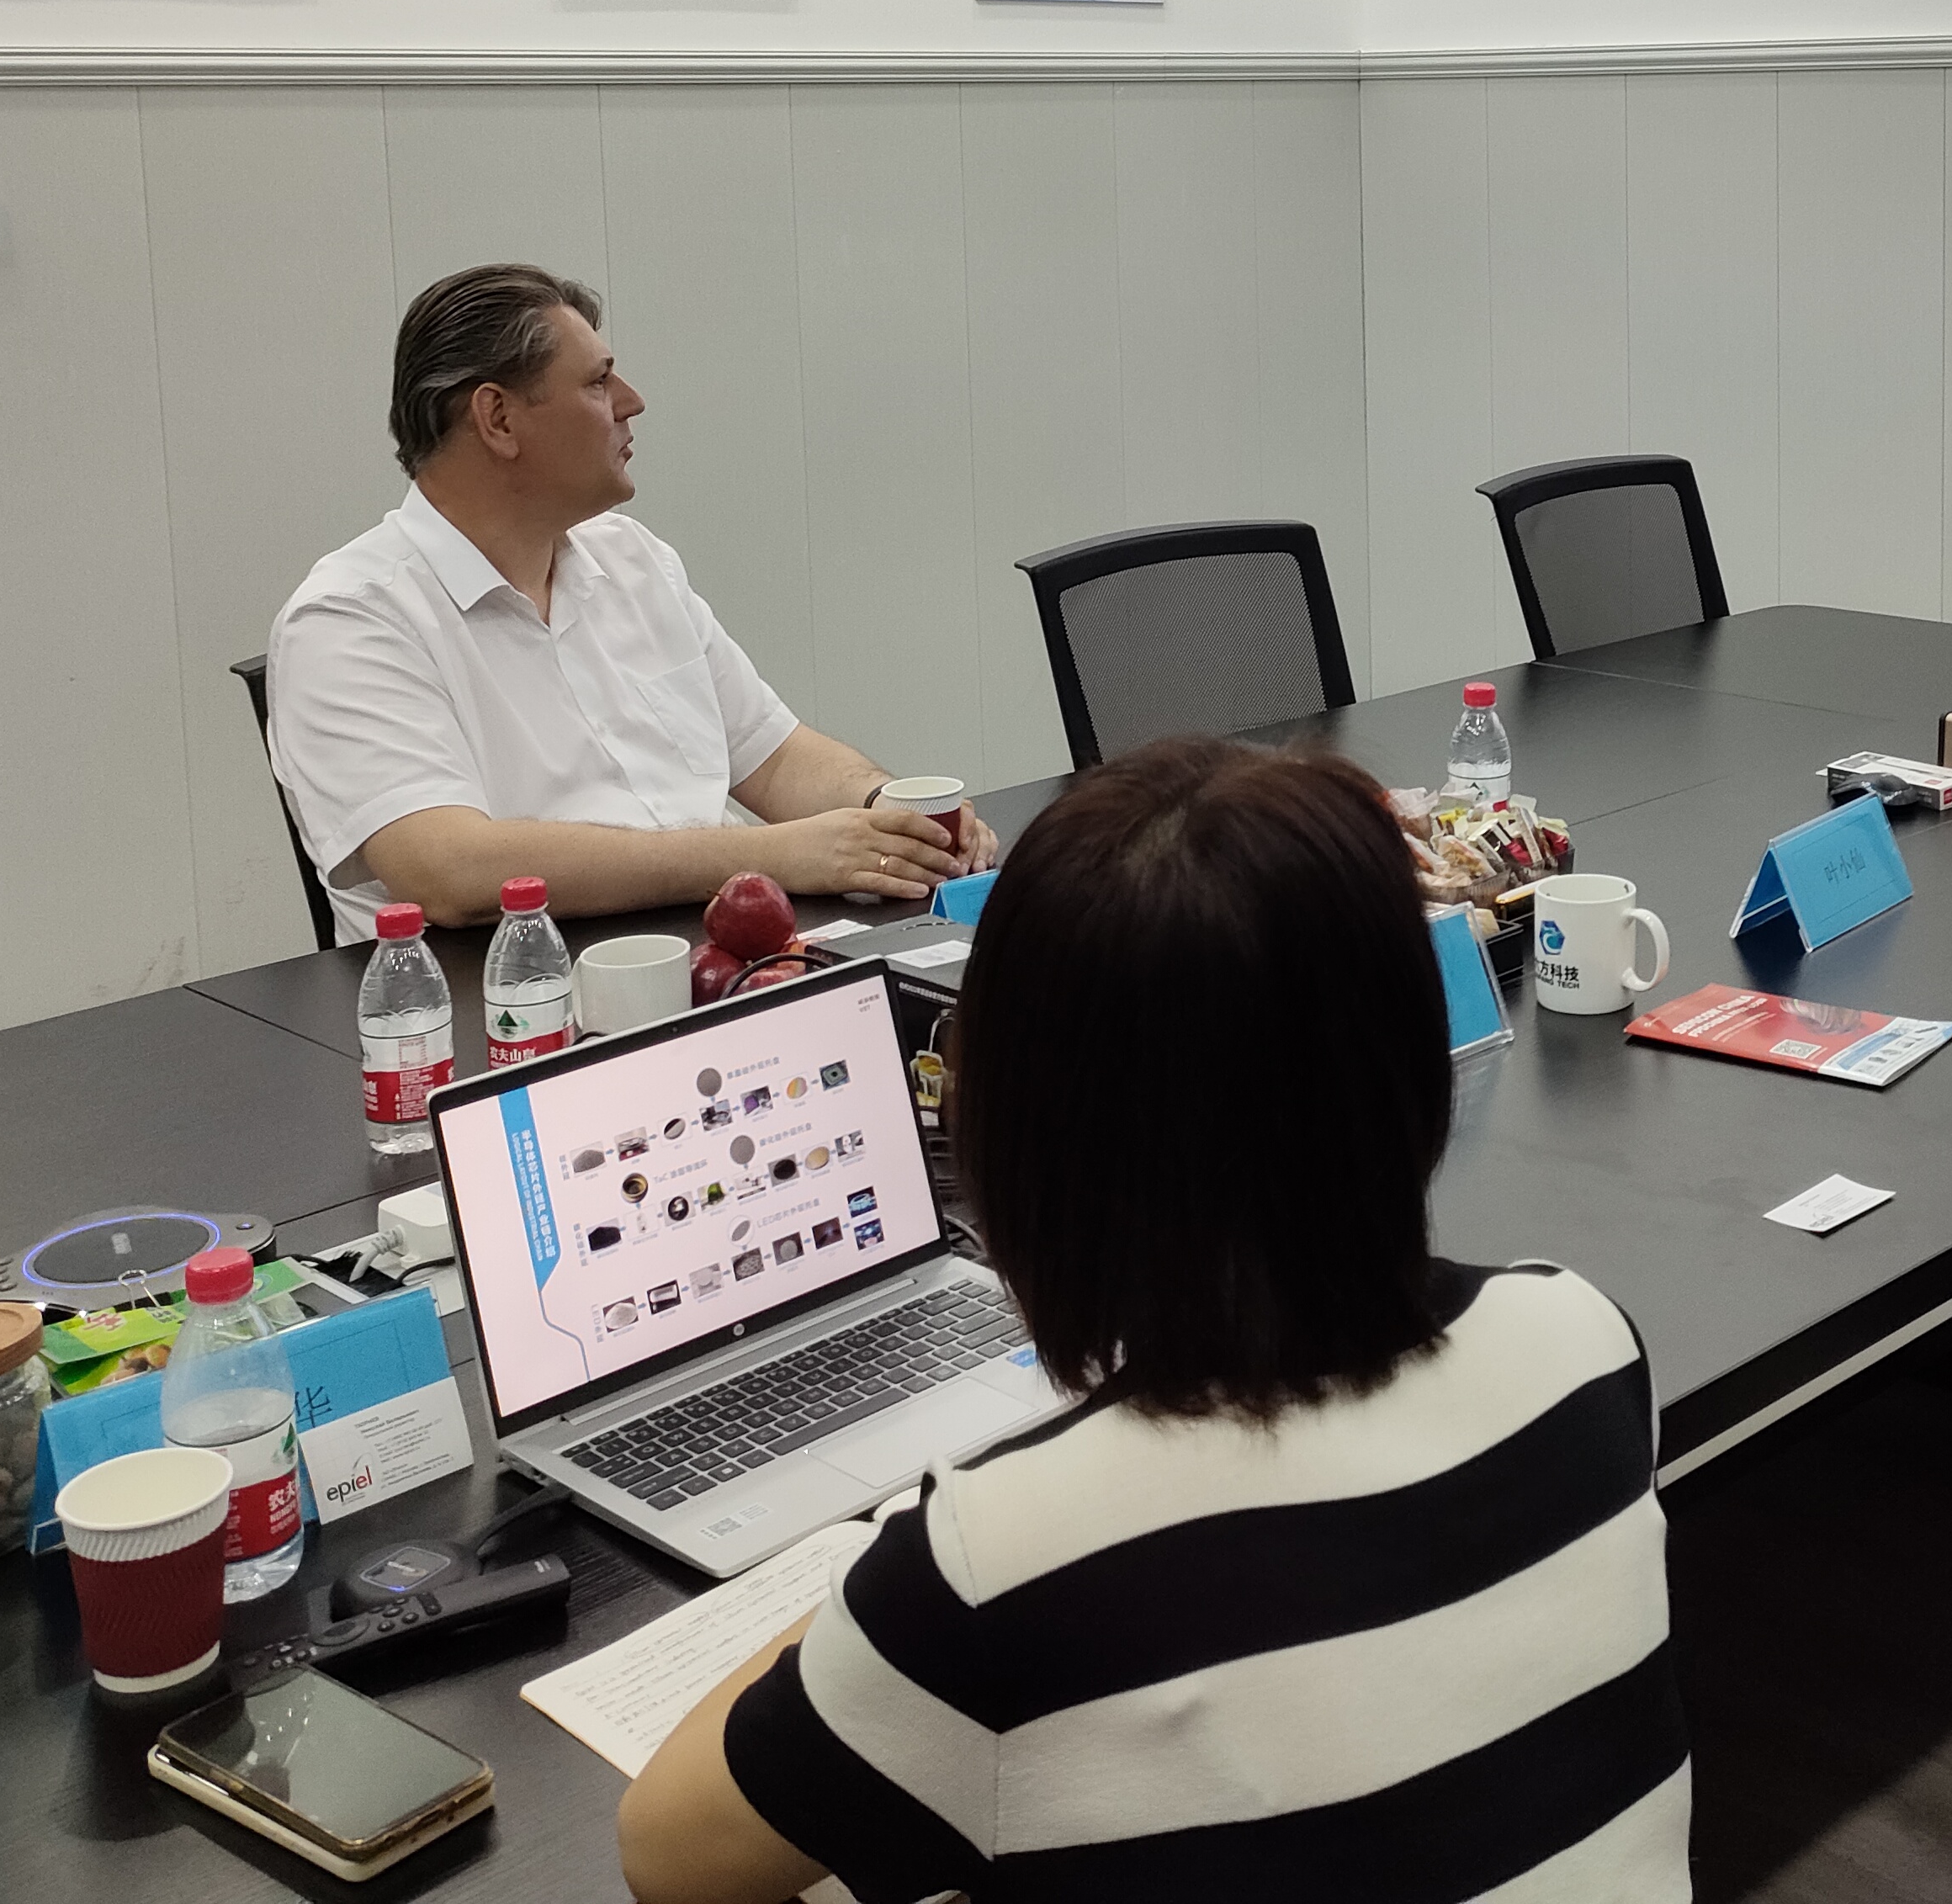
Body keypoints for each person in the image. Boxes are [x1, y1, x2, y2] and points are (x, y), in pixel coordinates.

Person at [615, 739, 1689, 1902]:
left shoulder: (1002, 1558)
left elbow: (669, 1858)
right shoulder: (1580, 1339)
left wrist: (883, 1576)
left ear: (1015, 1129)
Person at [267, 263, 995, 938]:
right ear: (498, 419)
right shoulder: (348, 620)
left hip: (724, 955)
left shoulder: (631, 560)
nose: (631, 402)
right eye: (597, 383)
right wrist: (770, 855)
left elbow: (773, 760)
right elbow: (451, 871)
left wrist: (890, 812)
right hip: (518, 998)